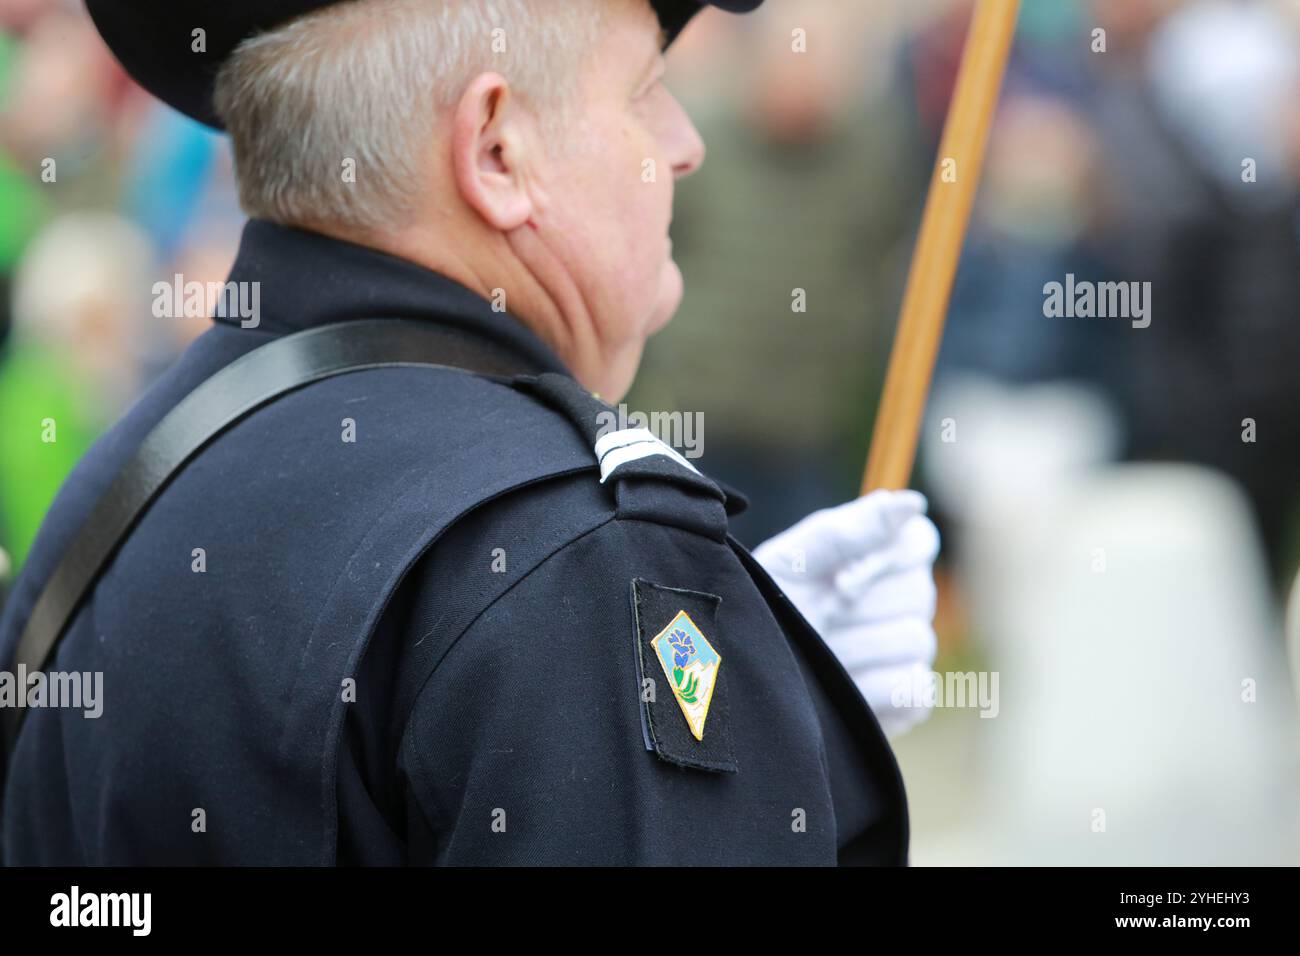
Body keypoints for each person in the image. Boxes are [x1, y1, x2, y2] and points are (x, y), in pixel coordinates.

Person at [0, 0, 938, 865]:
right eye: (645, 91)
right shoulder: (567, 551)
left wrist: (762, 713)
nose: (684, 142)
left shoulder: (116, 489)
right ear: (496, 152)